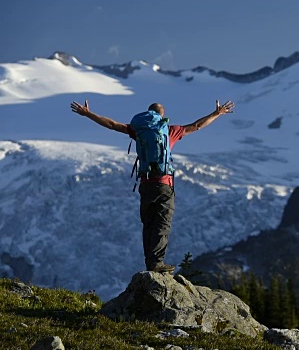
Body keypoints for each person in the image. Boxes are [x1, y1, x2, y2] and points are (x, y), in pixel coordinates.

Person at [70, 99, 235, 273]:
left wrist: (88, 114)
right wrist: (216, 113)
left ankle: (150, 263)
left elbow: (112, 124)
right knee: (162, 224)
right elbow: (197, 126)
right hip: (164, 184)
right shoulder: (169, 130)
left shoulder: (139, 130)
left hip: (145, 185)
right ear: (162, 116)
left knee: (148, 224)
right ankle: (157, 263)